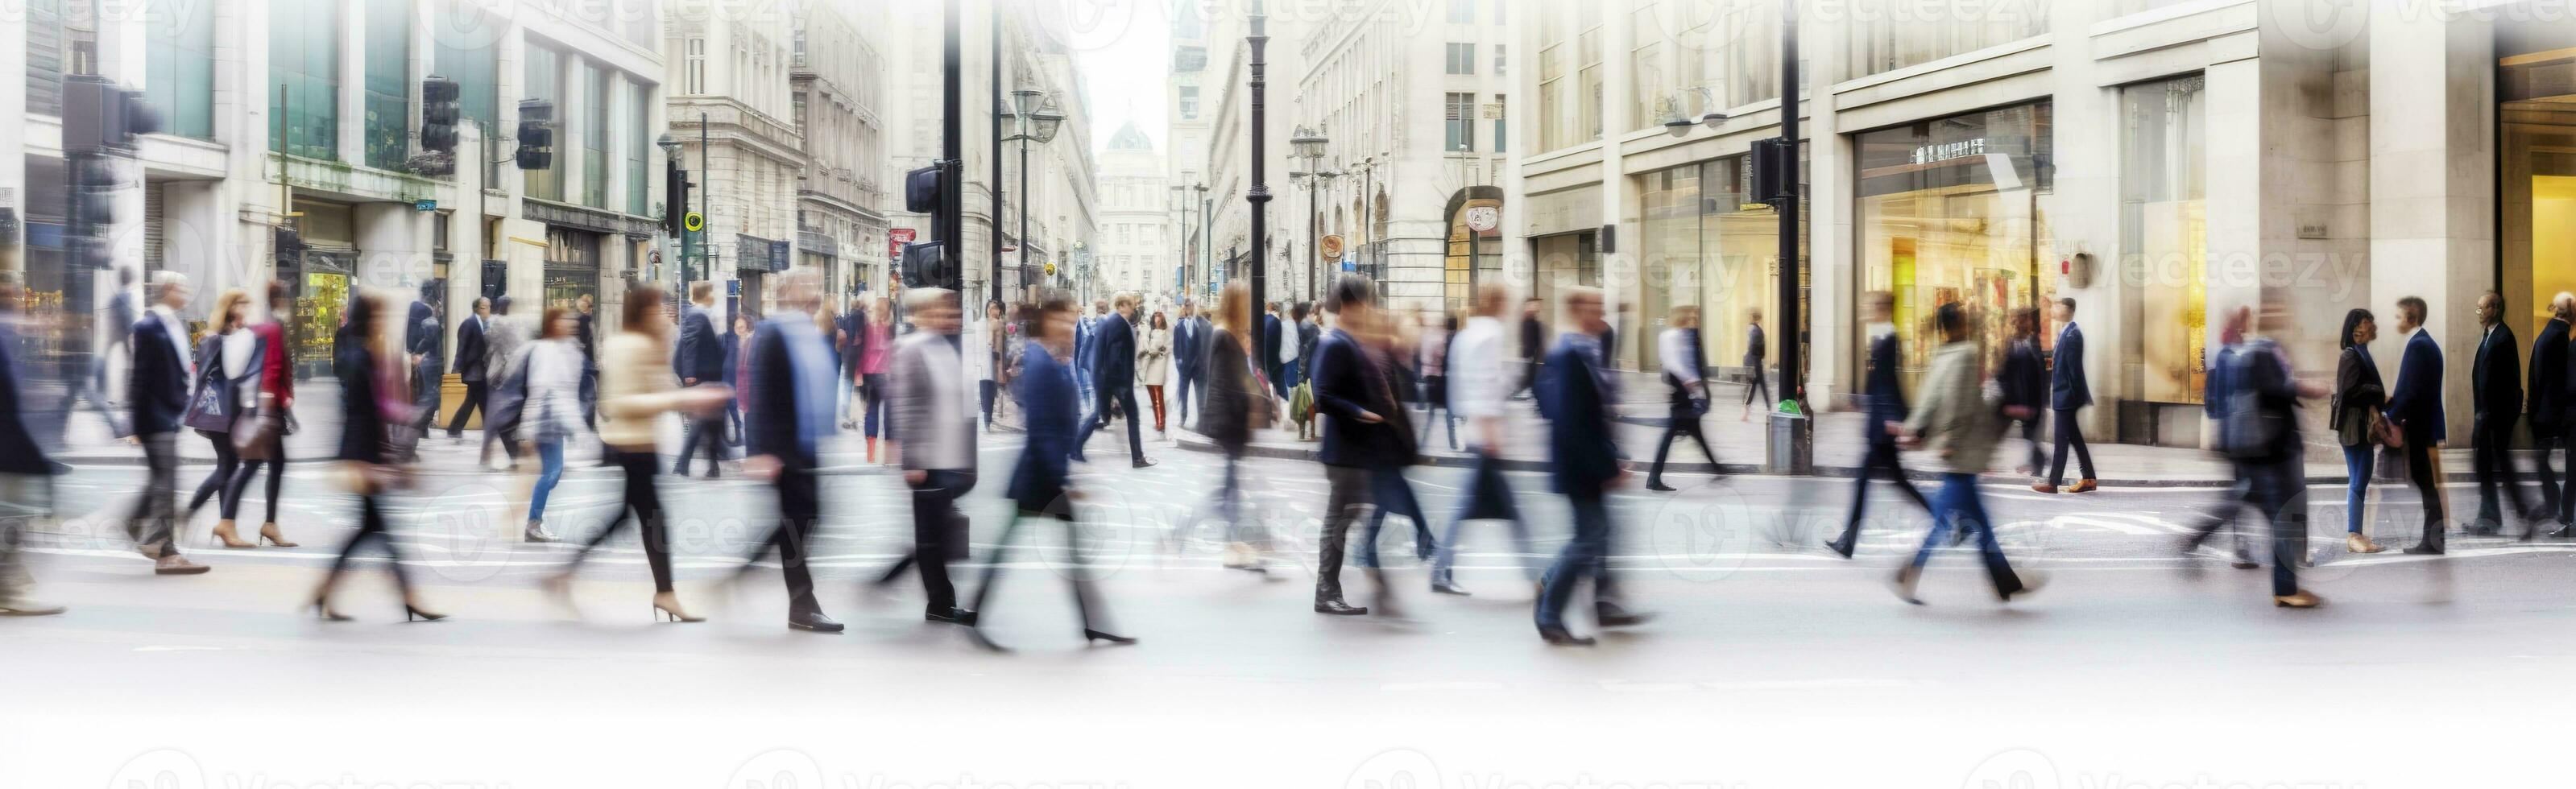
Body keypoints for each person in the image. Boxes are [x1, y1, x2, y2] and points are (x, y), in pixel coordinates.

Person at [547, 285, 727, 622]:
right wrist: (684, 400)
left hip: (644, 445)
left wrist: (683, 389)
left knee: (639, 518)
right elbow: (618, 403)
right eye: (656, 309)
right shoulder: (628, 346)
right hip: (631, 446)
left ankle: (568, 576)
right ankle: (664, 593)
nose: (662, 314)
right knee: (650, 519)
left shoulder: (645, 343)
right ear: (641, 311)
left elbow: (660, 384)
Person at [967, 292, 1135, 651]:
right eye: (1063, 321)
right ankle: (1090, 624)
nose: (1070, 328)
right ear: (1048, 324)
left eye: (1072, 322)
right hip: (1040, 477)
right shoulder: (1041, 363)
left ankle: (1089, 623)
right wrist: (1063, 479)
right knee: (1037, 552)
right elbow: (1042, 426)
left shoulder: (1053, 361)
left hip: (1043, 476)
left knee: (1052, 552)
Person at [1892, 302, 2037, 605]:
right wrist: (1952, 440)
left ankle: (2005, 581)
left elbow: (1930, 396)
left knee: (1979, 523)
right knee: (1946, 521)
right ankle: (1911, 569)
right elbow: (1960, 402)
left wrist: (1917, 429)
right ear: (1961, 325)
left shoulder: (1943, 355)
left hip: (1957, 449)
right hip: (1963, 449)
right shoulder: (1967, 355)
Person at [313, 290, 442, 622]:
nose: (386, 322)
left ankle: (327, 591)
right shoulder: (362, 357)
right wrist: (409, 414)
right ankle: (408, 597)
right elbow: (373, 407)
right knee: (379, 530)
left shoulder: (362, 353)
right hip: (363, 453)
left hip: (362, 451)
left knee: (369, 530)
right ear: (370, 319)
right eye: (381, 316)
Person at [1532, 287, 1648, 645]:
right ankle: (1550, 614)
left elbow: (1598, 414)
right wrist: (1606, 466)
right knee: (1589, 539)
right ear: (1575, 310)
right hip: (1579, 465)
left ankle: (1588, 600)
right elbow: (1573, 422)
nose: (1600, 312)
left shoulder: (1588, 349)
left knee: (1596, 535)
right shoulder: (1569, 354)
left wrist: (1613, 456)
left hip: (1589, 461)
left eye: (1602, 305)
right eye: (1592, 306)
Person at [738, 272, 842, 633]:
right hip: (783, 448)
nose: (816, 293)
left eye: (817, 286)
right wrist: (761, 450)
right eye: (809, 287)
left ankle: (746, 573)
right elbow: (761, 392)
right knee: (798, 523)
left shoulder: (804, 331)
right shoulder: (774, 331)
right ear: (789, 293)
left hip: (805, 445)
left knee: (803, 520)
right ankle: (802, 604)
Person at [1430, 283, 1537, 596]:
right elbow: (1486, 384)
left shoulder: (1467, 333)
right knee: (1509, 511)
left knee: (1474, 509)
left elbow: (1461, 385)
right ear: (1497, 303)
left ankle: (1441, 569)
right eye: (1506, 301)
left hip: (1474, 430)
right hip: (1485, 435)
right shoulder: (1491, 334)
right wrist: (1492, 432)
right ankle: (1536, 577)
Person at [1309, 275, 1405, 617]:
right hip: (1344, 451)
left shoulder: (1347, 340)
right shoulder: (1334, 342)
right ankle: (1326, 592)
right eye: (1366, 303)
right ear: (1351, 305)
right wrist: (1363, 413)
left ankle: (1331, 589)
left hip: (1354, 451)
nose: (1370, 309)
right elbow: (1324, 397)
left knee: (1344, 521)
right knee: (1337, 524)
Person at [2226, 299, 2330, 607]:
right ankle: (2286, 589)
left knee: (2269, 511)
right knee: (2284, 517)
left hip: (2268, 449)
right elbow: (2275, 388)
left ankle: (2286, 585)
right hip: (2272, 449)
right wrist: (2306, 387)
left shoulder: (2264, 349)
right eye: (2272, 312)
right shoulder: (2260, 350)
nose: (2280, 316)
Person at [888, 287, 978, 625]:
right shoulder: (911, 349)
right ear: (924, 313)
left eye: (953, 312)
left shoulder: (944, 347)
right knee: (930, 537)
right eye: (943, 311)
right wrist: (912, 460)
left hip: (949, 460)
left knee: (935, 535)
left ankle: (936, 599)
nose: (951, 317)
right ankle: (940, 603)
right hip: (928, 461)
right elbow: (906, 406)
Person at [1825, 291, 1931, 558]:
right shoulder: (1882, 336)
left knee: (1865, 482)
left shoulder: (1889, 337)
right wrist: (1863, 400)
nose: (1865, 309)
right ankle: (1950, 522)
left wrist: (1892, 420)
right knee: (1899, 482)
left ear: (1882, 308)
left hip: (1882, 428)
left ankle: (1848, 543)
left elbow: (1889, 384)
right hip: (1881, 423)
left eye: (1870, 305)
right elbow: (1882, 381)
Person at [126, 271, 208, 575]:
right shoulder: (148, 326)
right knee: (166, 482)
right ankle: (163, 548)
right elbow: (139, 376)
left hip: (170, 413)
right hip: (153, 415)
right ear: (167, 290)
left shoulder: (175, 323)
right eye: (181, 287)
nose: (185, 292)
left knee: (161, 479)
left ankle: (135, 527)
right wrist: (135, 424)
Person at [0, 276, 67, 615]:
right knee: (15, 513)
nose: (15, 298)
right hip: (10, 443)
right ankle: (9, 589)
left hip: (15, 441)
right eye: (8, 293)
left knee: (15, 513)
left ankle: (9, 586)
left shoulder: (11, 333)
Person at [2179, 306, 2260, 568]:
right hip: (2240, 438)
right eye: (2247, 319)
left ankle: (2237, 545)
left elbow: (2212, 403)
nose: (2250, 323)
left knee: (2243, 492)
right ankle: (2210, 539)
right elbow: (2224, 400)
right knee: (2242, 493)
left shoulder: (2227, 355)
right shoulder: (2233, 356)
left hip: (2236, 436)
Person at [180, 288, 262, 548]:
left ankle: (227, 525)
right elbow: (232, 371)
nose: (247, 311)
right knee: (228, 467)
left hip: (224, 412)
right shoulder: (220, 338)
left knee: (228, 466)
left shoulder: (219, 337)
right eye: (242, 305)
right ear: (230, 308)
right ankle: (191, 512)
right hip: (223, 412)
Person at [1199, 282, 1271, 572]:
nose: (1249, 307)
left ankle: (1238, 544)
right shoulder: (1224, 335)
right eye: (1245, 302)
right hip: (1228, 422)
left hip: (1230, 421)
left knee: (1228, 488)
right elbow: (1224, 385)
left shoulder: (1230, 335)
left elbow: (1240, 379)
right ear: (1235, 303)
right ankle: (1235, 545)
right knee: (1229, 488)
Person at [224, 281, 300, 548]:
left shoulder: (265, 326)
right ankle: (231, 522)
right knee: (257, 465)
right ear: (281, 300)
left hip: (268, 406)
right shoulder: (273, 327)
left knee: (271, 464)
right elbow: (272, 367)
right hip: (267, 408)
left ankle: (267, 523)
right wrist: (269, 405)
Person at [2383, 295, 2450, 554]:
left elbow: (2412, 391)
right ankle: (2435, 540)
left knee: (2426, 482)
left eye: (2399, 316)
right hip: (2426, 425)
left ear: (2411, 317)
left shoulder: (2419, 345)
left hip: (2422, 428)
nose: (2396, 321)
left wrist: (2390, 415)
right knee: (2427, 483)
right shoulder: (2423, 343)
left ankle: (2433, 541)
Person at [2470, 291, 2539, 536]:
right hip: (2488, 416)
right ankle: (2489, 518)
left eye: (2482, 308)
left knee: (2500, 469)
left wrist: (2488, 415)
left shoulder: (2503, 337)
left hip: (2495, 418)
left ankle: (2525, 516)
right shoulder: (2489, 335)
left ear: (2495, 309)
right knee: (2486, 467)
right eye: (2478, 308)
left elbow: (2503, 384)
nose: (2478, 313)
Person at [519, 308, 589, 543]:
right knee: (552, 471)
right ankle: (533, 524)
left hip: (559, 416)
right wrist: (528, 429)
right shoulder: (544, 349)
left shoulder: (571, 349)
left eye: (571, 320)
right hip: (545, 414)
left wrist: (576, 424)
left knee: (553, 473)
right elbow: (538, 388)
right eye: (564, 320)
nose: (571, 323)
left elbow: (570, 390)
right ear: (552, 324)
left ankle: (534, 522)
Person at [2330, 308, 2390, 555]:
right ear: (2357, 328)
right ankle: (2354, 535)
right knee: (2359, 480)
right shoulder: (2350, 355)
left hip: (2359, 425)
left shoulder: (2361, 353)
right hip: (2354, 427)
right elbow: (2350, 391)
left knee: (2360, 479)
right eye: (2368, 322)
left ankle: (2356, 534)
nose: (2373, 326)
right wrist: (2378, 393)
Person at [1078, 292, 1155, 468]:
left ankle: (1076, 446)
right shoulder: (1119, 323)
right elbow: (1114, 355)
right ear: (1122, 306)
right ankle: (1137, 458)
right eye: (1127, 305)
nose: (1129, 309)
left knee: (1098, 414)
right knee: (1133, 416)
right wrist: (1119, 387)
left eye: (1130, 306)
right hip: (1118, 381)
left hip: (1108, 380)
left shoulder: (1111, 321)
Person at [1646, 304, 1717, 491]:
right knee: (1675, 436)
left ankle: (1718, 469)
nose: (1694, 317)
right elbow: (1674, 364)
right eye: (1690, 314)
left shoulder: (1688, 335)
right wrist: (1692, 384)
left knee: (1690, 434)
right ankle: (1718, 469)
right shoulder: (1671, 336)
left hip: (1688, 393)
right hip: (1682, 394)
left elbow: (1693, 363)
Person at [2036, 298, 2098, 494]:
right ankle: (2089, 478)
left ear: (2068, 309)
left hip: (2066, 397)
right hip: (2064, 395)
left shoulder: (2072, 334)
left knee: (2061, 441)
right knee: (2075, 439)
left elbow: (2074, 370)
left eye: (2058, 305)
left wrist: (2074, 396)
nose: (2054, 308)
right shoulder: (2065, 332)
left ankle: (2053, 483)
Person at [673, 283, 730, 478]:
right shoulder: (697, 315)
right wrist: (690, 375)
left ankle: (712, 466)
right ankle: (683, 463)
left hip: (708, 376)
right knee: (703, 421)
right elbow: (690, 345)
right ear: (705, 295)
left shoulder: (705, 315)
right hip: (701, 377)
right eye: (712, 292)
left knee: (711, 422)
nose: (715, 296)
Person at [2537, 293, 2575, 537]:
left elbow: (2567, 385)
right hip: (2566, 415)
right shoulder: (2563, 338)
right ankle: (2562, 513)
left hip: (2568, 416)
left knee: (2572, 470)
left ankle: (2564, 515)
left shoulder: (2559, 338)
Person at [479, 295, 529, 470]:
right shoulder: (503, 323)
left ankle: (497, 455)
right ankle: (503, 455)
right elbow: (514, 346)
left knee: (501, 418)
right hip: (503, 375)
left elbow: (491, 345)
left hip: (503, 375)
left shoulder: (499, 323)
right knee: (500, 418)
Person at [1998, 307, 2048, 476]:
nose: (2021, 323)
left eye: (2025, 319)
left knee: (2032, 435)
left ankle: (2038, 464)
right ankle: (2036, 462)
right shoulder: (2010, 342)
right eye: (2019, 319)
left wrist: (2041, 397)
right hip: (2016, 397)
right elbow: (2006, 370)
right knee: (2028, 436)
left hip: (2033, 397)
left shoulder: (2034, 341)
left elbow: (2039, 371)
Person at [443, 297, 491, 443]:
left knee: (471, 402)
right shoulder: (469, 323)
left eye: (489, 307)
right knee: (483, 401)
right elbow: (462, 346)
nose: (487, 310)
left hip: (479, 370)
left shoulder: (482, 324)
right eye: (484, 307)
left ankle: (454, 428)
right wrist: (457, 367)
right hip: (474, 371)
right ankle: (491, 429)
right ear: (476, 308)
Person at [404, 285, 444, 449]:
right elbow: (428, 336)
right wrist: (418, 352)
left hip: (421, 360)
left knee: (425, 395)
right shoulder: (428, 315)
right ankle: (416, 431)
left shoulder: (414, 308)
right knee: (429, 397)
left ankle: (420, 430)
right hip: (428, 361)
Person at [855, 297, 895, 463]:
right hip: (885, 375)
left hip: (870, 375)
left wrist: (858, 374)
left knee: (872, 411)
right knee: (889, 414)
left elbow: (859, 352)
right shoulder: (892, 330)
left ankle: (871, 455)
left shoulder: (867, 329)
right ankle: (888, 455)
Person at [1417, 311, 1457, 451]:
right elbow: (1441, 356)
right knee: (1448, 413)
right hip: (1440, 378)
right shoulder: (1440, 338)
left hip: (1431, 377)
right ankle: (1453, 443)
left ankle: (1424, 442)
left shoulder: (1426, 338)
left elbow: (1423, 358)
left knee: (1432, 413)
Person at [1172, 299, 1205, 429]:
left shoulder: (1199, 325)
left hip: (1197, 366)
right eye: (1186, 307)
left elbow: (1202, 345)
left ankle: (1201, 419)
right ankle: (1183, 418)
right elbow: (1176, 347)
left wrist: (1200, 361)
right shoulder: (1179, 326)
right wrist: (1179, 361)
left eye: (1190, 306)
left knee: (1199, 392)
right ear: (1184, 309)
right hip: (1184, 366)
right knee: (1183, 392)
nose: (1188, 309)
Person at [1141, 311, 1173, 438]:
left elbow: (1167, 348)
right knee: (1153, 395)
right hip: (1150, 364)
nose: (1156, 321)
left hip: (1159, 364)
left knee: (1158, 395)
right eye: (1155, 318)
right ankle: (1158, 421)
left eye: (1159, 319)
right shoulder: (1150, 332)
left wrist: (1159, 352)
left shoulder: (1166, 333)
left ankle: (1161, 423)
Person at [970, 300, 1000, 432]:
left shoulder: (999, 324)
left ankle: (988, 419)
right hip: (983, 364)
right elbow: (987, 343)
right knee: (985, 392)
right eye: (992, 308)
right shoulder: (979, 325)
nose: (995, 311)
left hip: (994, 363)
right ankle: (987, 421)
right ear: (987, 310)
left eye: (996, 309)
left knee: (991, 393)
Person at [727, 312, 755, 449]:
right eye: (736, 327)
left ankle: (747, 441)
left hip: (746, 384)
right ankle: (743, 438)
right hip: (736, 382)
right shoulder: (733, 341)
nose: (738, 330)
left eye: (741, 327)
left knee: (747, 413)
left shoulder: (751, 342)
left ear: (748, 327)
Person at [1740, 308, 1770, 421]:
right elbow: (1754, 346)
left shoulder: (1752, 328)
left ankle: (1767, 408)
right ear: (1758, 318)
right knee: (1753, 385)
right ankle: (1746, 409)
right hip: (1754, 361)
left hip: (1753, 360)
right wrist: (1759, 357)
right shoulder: (1755, 330)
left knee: (1759, 385)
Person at [1513, 297, 1544, 400]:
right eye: (1534, 305)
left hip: (1533, 356)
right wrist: (1529, 355)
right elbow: (1527, 340)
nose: (1537, 307)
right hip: (1529, 356)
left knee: (1530, 376)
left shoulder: (1534, 322)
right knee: (1527, 376)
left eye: (1538, 305)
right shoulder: (1527, 321)